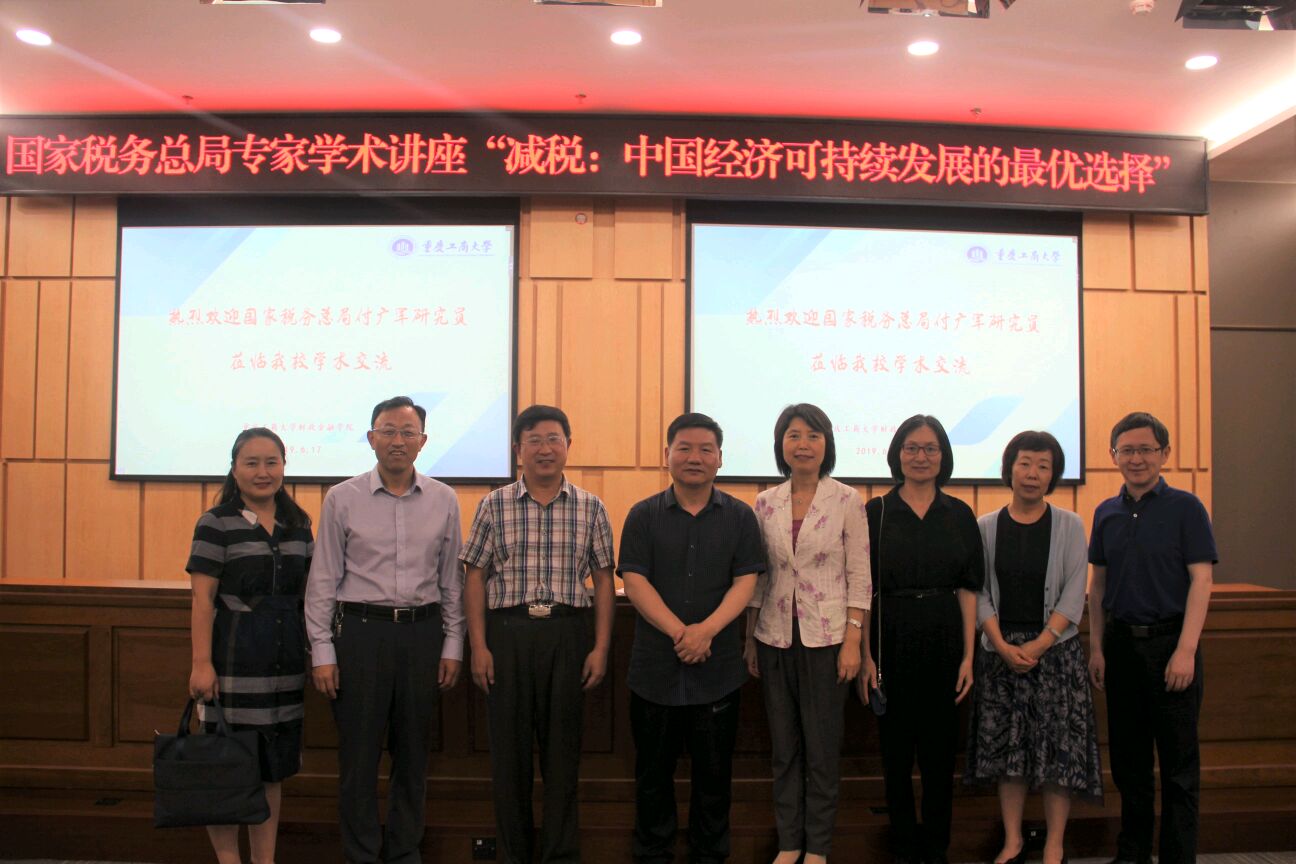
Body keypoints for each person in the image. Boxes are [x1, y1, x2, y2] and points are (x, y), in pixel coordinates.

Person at [304, 396, 465, 864]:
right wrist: (322, 652)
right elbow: (323, 580)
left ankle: (404, 851)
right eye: (388, 431)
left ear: (423, 441)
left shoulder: (443, 499)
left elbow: (451, 581)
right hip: (359, 635)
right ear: (371, 438)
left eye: (407, 432)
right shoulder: (342, 498)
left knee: (413, 756)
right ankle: (361, 854)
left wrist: (453, 644)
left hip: (422, 635)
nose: (398, 440)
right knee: (358, 758)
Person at [461, 404, 616, 864]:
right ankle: (513, 855)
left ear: (569, 445)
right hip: (507, 635)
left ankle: (560, 855)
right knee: (509, 760)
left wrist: (601, 647)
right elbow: (475, 576)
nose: (544, 449)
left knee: (562, 758)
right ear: (518, 450)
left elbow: (603, 580)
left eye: (553, 439)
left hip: (568, 635)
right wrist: (478, 646)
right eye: (534, 440)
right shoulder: (493, 504)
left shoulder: (591, 507)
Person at [618, 412, 767, 864]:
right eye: (684, 448)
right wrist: (681, 632)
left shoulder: (740, 517)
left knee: (714, 779)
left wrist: (707, 631)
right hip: (655, 669)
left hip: (717, 669)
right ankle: (653, 854)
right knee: (652, 777)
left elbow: (746, 581)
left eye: (706, 449)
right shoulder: (643, 515)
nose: (694, 457)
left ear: (720, 458)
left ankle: (710, 855)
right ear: (667, 455)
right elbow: (634, 580)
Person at [964, 431, 1102, 864]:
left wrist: (1040, 645)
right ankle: (1013, 840)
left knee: (1058, 754)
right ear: (1009, 468)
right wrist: (1001, 645)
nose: (1032, 473)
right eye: (1025, 463)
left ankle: (1055, 844)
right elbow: (978, 591)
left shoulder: (1070, 525)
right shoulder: (985, 527)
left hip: (1056, 656)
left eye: (1044, 466)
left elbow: (1074, 593)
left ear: (1053, 475)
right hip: (1000, 656)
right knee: (1010, 755)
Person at [744, 403, 871, 864]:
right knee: (784, 748)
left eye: (813, 436)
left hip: (828, 639)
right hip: (774, 635)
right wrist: (749, 638)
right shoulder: (765, 502)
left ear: (826, 444)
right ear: (781, 444)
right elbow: (759, 575)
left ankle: (817, 846)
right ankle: (789, 842)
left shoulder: (846, 500)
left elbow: (860, 575)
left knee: (821, 749)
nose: (803, 444)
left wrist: (853, 641)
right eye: (794, 435)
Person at [1088, 412, 1216, 864]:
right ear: (1113, 456)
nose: (1136, 458)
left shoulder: (1187, 508)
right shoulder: (1105, 512)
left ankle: (1178, 858)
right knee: (1130, 765)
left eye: (1146, 449)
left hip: (1171, 646)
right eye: (1127, 450)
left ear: (1165, 454)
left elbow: (1202, 580)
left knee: (1179, 768)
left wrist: (1186, 651)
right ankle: (1133, 854)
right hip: (1122, 648)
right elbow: (1098, 587)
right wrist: (1097, 648)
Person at [858, 414, 983, 864]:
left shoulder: (960, 514)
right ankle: (903, 845)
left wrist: (968, 656)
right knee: (895, 756)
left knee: (939, 756)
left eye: (930, 448)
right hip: (890, 640)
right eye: (911, 447)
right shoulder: (876, 512)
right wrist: (866, 656)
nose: (921, 456)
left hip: (945, 640)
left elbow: (969, 589)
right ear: (897, 454)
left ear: (943, 456)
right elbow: (863, 590)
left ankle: (936, 847)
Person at [187, 427, 314, 864]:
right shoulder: (216, 522)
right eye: (252, 463)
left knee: (271, 769)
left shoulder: (298, 524)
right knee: (227, 766)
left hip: (284, 661)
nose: (263, 472)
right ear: (234, 468)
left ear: (284, 467)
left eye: (271, 462)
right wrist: (201, 664)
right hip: (233, 659)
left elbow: (309, 594)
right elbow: (202, 599)